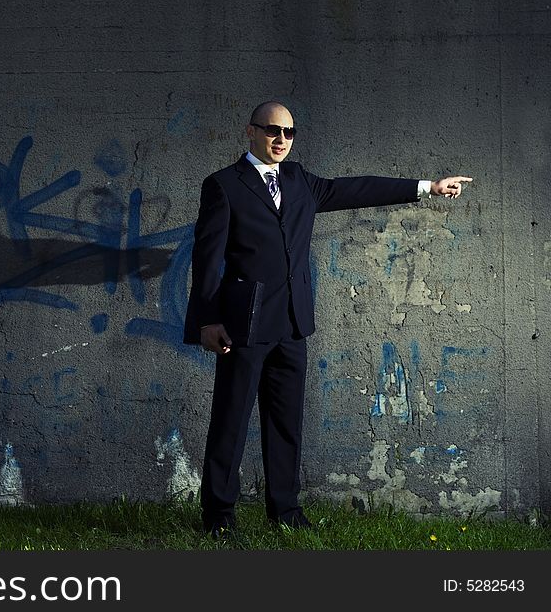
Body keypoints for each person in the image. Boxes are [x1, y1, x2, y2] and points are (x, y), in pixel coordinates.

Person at [182, 101, 469, 537]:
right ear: (251, 132)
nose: (281, 140)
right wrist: (207, 321)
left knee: (286, 423)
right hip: (245, 323)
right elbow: (206, 259)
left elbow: (356, 190)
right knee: (231, 421)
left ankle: (286, 511)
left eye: (289, 133)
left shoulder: (299, 180)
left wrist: (428, 186)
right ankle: (219, 516)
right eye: (273, 131)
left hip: (294, 323)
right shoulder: (224, 185)